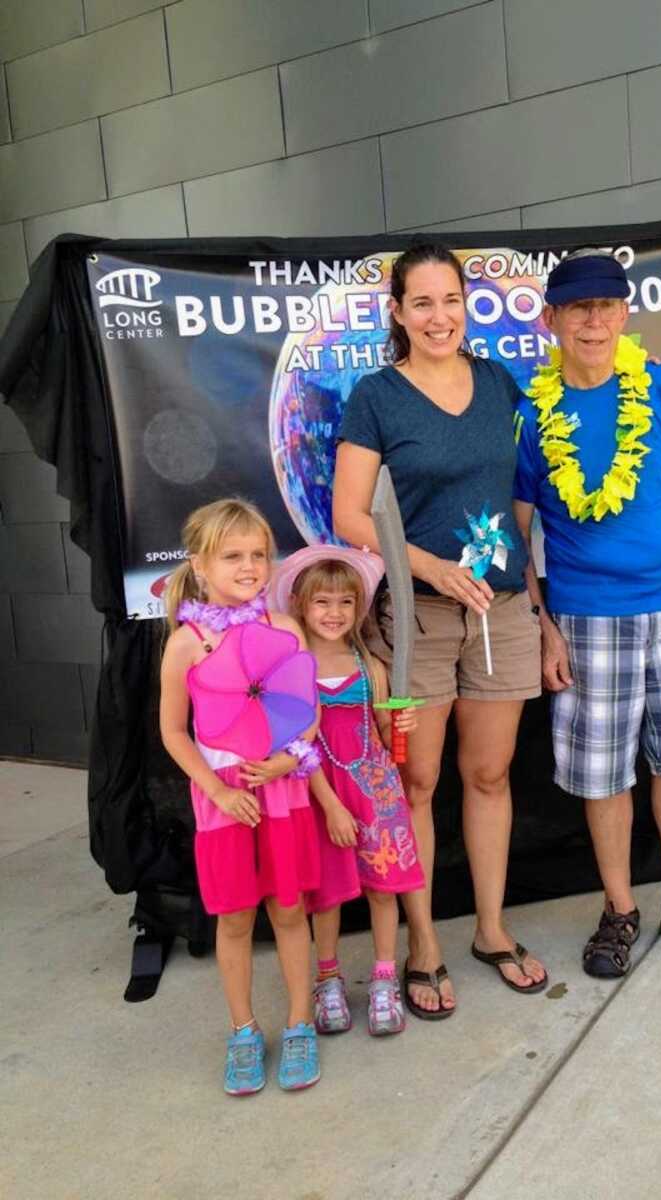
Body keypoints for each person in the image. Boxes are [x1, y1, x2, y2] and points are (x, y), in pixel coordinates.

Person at [514, 251, 661, 978]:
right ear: (551, 318)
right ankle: (619, 909)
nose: (594, 320)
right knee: (603, 775)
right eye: (578, 308)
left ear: (624, 316)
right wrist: (542, 624)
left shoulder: (660, 385)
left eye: (607, 307)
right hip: (586, 619)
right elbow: (513, 527)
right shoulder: (531, 413)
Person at [333, 240, 548, 1018]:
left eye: (450, 300)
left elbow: (523, 495)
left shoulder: (498, 383)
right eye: (421, 302)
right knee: (417, 783)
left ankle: (490, 930)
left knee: (489, 777)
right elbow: (349, 515)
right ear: (397, 312)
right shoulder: (377, 396)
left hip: (502, 611)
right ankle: (423, 944)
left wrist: (535, 601)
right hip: (418, 617)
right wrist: (428, 568)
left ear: (468, 306)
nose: (438, 316)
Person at [159, 498, 325, 1095]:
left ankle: (300, 1022)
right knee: (234, 918)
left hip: (280, 792)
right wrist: (217, 793)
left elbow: (304, 713)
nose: (250, 567)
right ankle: (244, 1030)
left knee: (288, 909)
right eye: (233, 556)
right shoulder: (188, 642)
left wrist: (288, 757)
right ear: (201, 565)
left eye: (259, 555)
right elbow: (174, 731)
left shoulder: (284, 628)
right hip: (223, 801)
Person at [270, 544, 424, 1037]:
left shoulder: (370, 664)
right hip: (320, 793)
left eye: (345, 603)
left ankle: (383, 976)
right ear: (300, 606)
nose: (334, 613)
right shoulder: (292, 670)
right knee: (328, 892)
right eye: (322, 602)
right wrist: (331, 805)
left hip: (373, 786)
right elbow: (297, 745)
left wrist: (401, 722)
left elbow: (382, 731)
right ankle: (328, 976)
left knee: (383, 886)